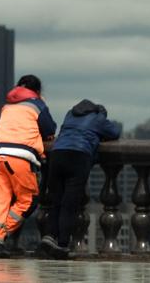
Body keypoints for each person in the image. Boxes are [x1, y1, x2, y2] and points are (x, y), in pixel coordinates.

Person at [0, 74, 56, 258]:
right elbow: (50, 129)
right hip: (21, 156)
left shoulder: (7, 106)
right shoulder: (37, 104)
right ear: (37, 91)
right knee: (28, 200)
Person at [39, 99, 121, 259]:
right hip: (79, 155)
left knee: (56, 200)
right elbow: (114, 132)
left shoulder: (70, 115)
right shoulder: (98, 117)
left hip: (57, 154)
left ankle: (49, 236)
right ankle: (62, 245)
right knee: (69, 203)